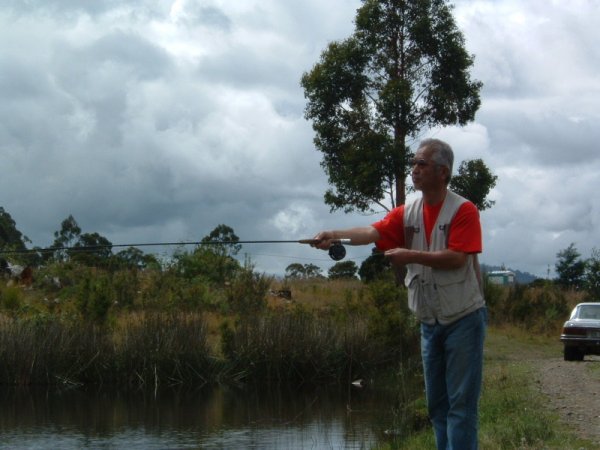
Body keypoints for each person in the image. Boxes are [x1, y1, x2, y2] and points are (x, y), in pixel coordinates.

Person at [311, 138, 486, 450]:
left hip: (464, 319)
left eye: (421, 164)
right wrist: (332, 234)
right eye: (414, 163)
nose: (414, 170)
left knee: (461, 407)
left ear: (442, 172)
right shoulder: (408, 211)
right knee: (437, 406)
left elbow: (458, 257)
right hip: (429, 323)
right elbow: (371, 233)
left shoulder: (464, 211)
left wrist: (410, 255)